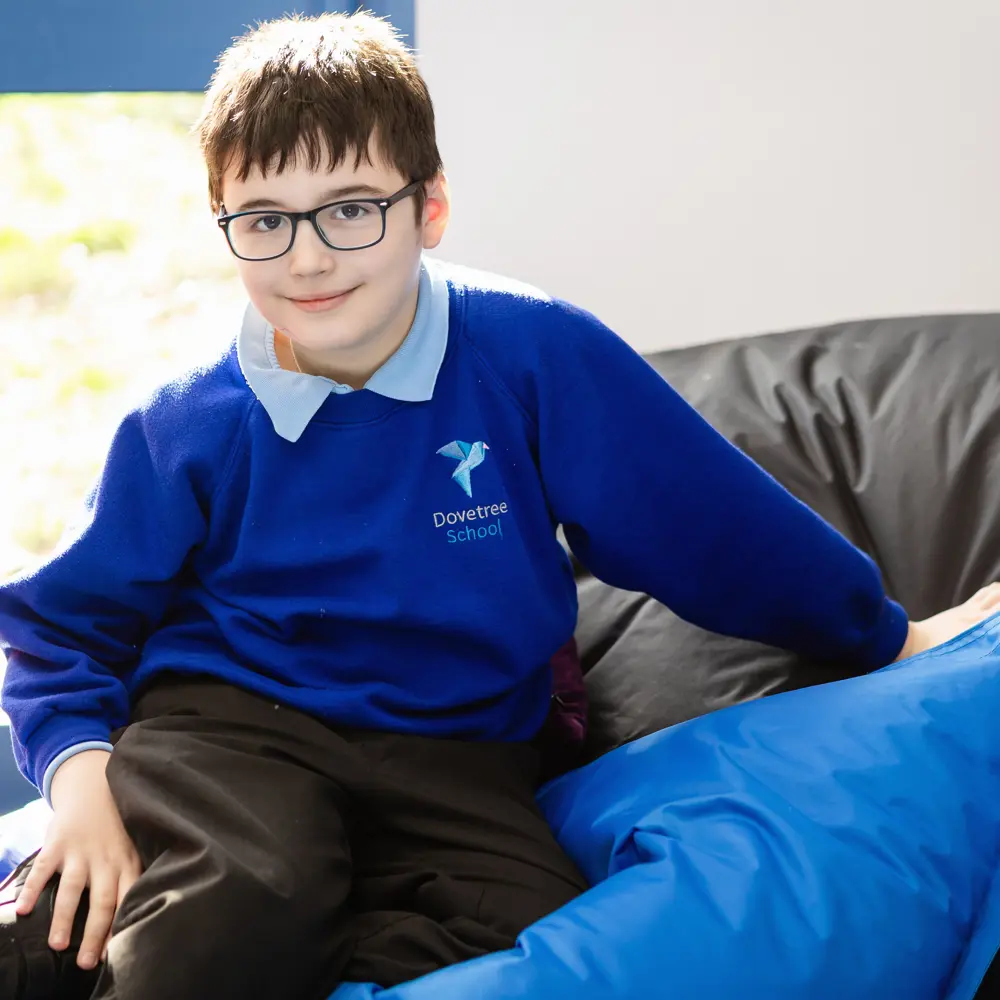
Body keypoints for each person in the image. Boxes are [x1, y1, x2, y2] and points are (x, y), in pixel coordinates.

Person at [0, 11, 997, 1000]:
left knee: (523, 922)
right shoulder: (188, 420)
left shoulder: (532, 351)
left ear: (429, 206)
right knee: (249, 895)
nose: (307, 258)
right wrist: (82, 784)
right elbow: (59, 628)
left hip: (457, 748)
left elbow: (710, 525)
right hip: (237, 723)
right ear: (223, 224)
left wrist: (888, 635)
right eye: (264, 220)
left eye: (351, 208)